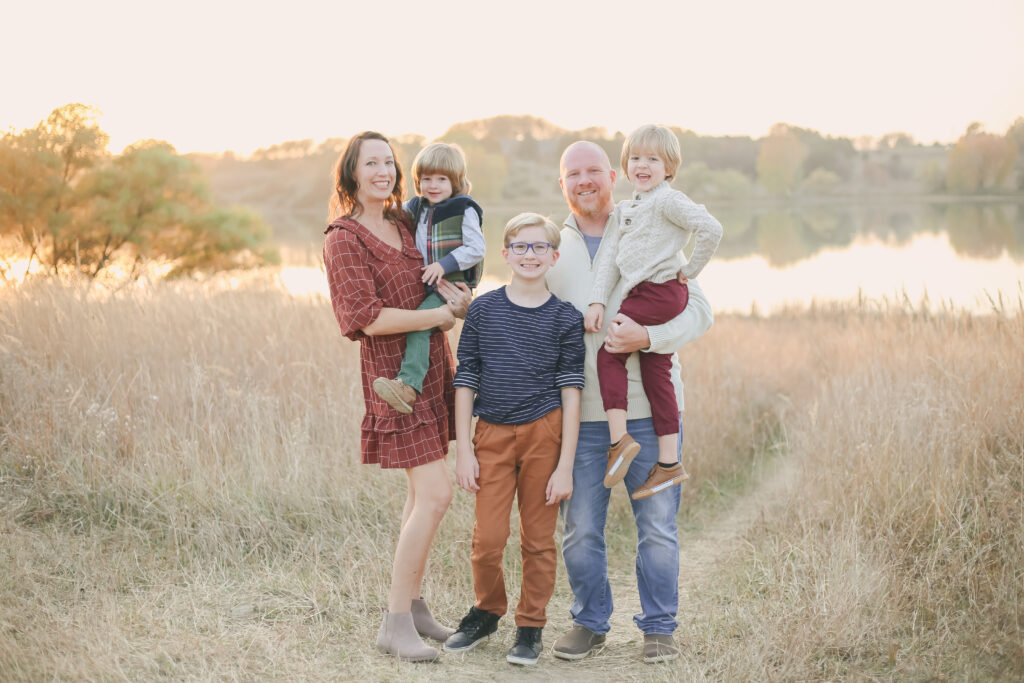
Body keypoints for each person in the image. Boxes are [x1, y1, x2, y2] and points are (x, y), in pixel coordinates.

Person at [546, 141, 714, 664]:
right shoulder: (551, 245)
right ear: (563, 185)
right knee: (580, 530)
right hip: (582, 418)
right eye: (574, 173)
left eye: (594, 170)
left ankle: (659, 628)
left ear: (613, 176)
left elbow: (700, 309)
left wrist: (650, 338)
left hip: (649, 412)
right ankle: (590, 623)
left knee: (658, 529)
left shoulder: (649, 222)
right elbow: (522, 304)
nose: (585, 180)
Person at [322, 131, 472, 663]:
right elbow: (364, 318)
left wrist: (459, 295)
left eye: (389, 162)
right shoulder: (343, 238)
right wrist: (437, 317)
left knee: (418, 497)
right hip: (394, 381)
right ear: (352, 172)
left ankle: (414, 605)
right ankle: (394, 624)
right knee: (435, 494)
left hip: (433, 369)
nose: (383, 171)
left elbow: (447, 265)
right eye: (371, 163)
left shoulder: (407, 220)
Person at [444, 213, 585, 666]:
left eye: (539, 247)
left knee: (538, 539)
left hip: (545, 433)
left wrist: (565, 465)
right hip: (491, 434)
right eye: (520, 247)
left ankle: (530, 626)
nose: (529, 254)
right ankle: (487, 610)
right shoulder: (483, 309)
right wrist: (464, 448)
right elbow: (466, 377)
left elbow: (571, 392)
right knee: (488, 538)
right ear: (505, 254)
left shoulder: (566, 318)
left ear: (553, 256)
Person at [584, 125, 723, 499]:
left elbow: (710, 228)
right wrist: (597, 301)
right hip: (652, 292)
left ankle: (619, 440)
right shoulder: (627, 209)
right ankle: (667, 464)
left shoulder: (667, 201)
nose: (642, 165)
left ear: (669, 166)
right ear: (625, 166)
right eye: (635, 158)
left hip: (657, 291)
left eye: (653, 159)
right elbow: (609, 260)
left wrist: (690, 270)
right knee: (655, 367)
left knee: (609, 355)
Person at [372, 142, 485, 415]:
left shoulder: (464, 208)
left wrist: (444, 264)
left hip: (452, 284)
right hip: (430, 282)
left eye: (441, 179)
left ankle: (408, 386)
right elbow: (391, 211)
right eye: (426, 179)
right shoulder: (418, 207)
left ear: (455, 181)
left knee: (419, 325)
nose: (433, 185)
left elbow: (476, 248)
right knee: (423, 326)